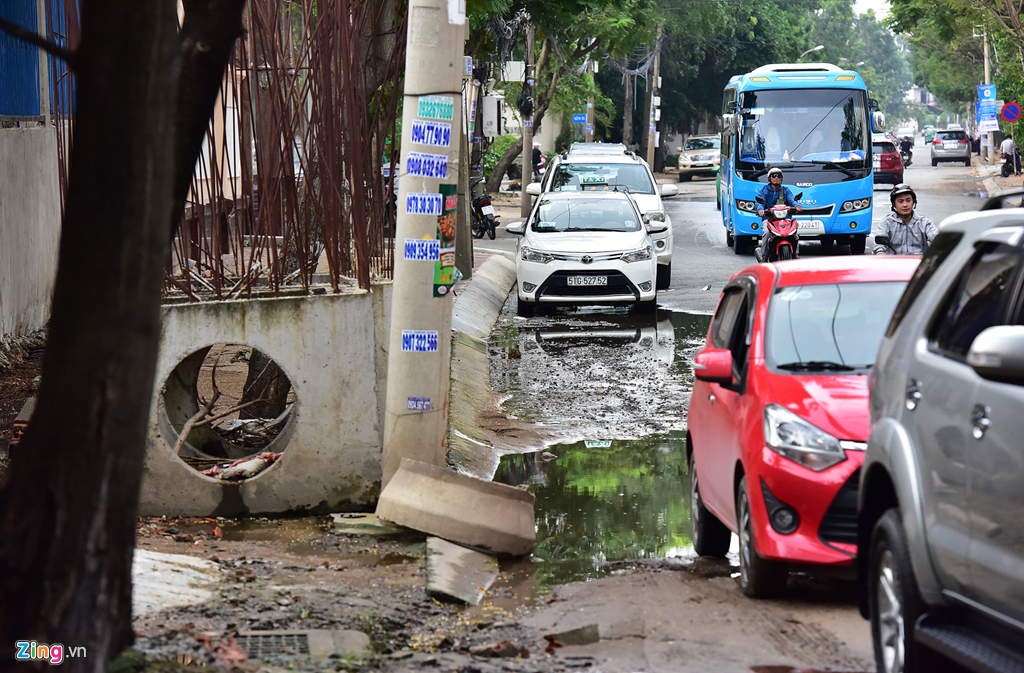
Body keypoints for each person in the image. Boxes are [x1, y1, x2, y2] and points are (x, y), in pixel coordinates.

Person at [873, 183, 938, 255]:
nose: (905, 205)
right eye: (901, 201)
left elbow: (936, 237)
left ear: (914, 202)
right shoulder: (886, 223)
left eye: (908, 200)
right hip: (893, 264)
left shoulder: (925, 223)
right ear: (894, 204)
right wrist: (881, 253)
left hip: (919, 264)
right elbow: (878, 244)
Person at [756, 167, 803, 259]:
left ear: (781, 178)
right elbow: (759, 202)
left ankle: (795, 254)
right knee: (767, 233)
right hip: (769, 219)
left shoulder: (786, 190)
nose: (776, 178)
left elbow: (792, 200)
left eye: (779, 176)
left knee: (794, 233)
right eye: (774, 176)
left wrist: (797, 206)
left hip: (785, 218)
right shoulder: (764, 190)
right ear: (769, 178)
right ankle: (764, 255)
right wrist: (760, 209)